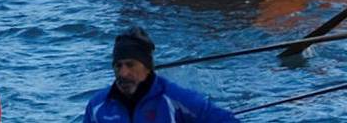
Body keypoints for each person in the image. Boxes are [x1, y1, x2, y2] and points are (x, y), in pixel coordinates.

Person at [83, 28, 240, 123]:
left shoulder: (176, 99)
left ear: (147, 68)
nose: (123, 73)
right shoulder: (97, 106)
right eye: (118, 66)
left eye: (130, 65)